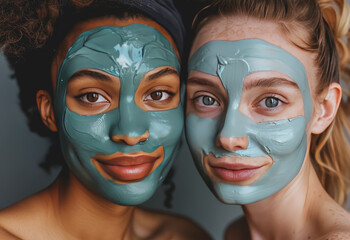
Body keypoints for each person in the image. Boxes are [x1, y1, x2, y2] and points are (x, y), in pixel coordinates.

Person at [0, 0, 211, 239]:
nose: (130, 134)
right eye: (93, 96)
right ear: (49, 111)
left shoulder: (184, 236)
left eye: (157, 94)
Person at [185, 0, 350, 239]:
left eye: (270, 102)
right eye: (207, 99)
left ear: (324, 109)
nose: (228, 137)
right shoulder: (236, 234)